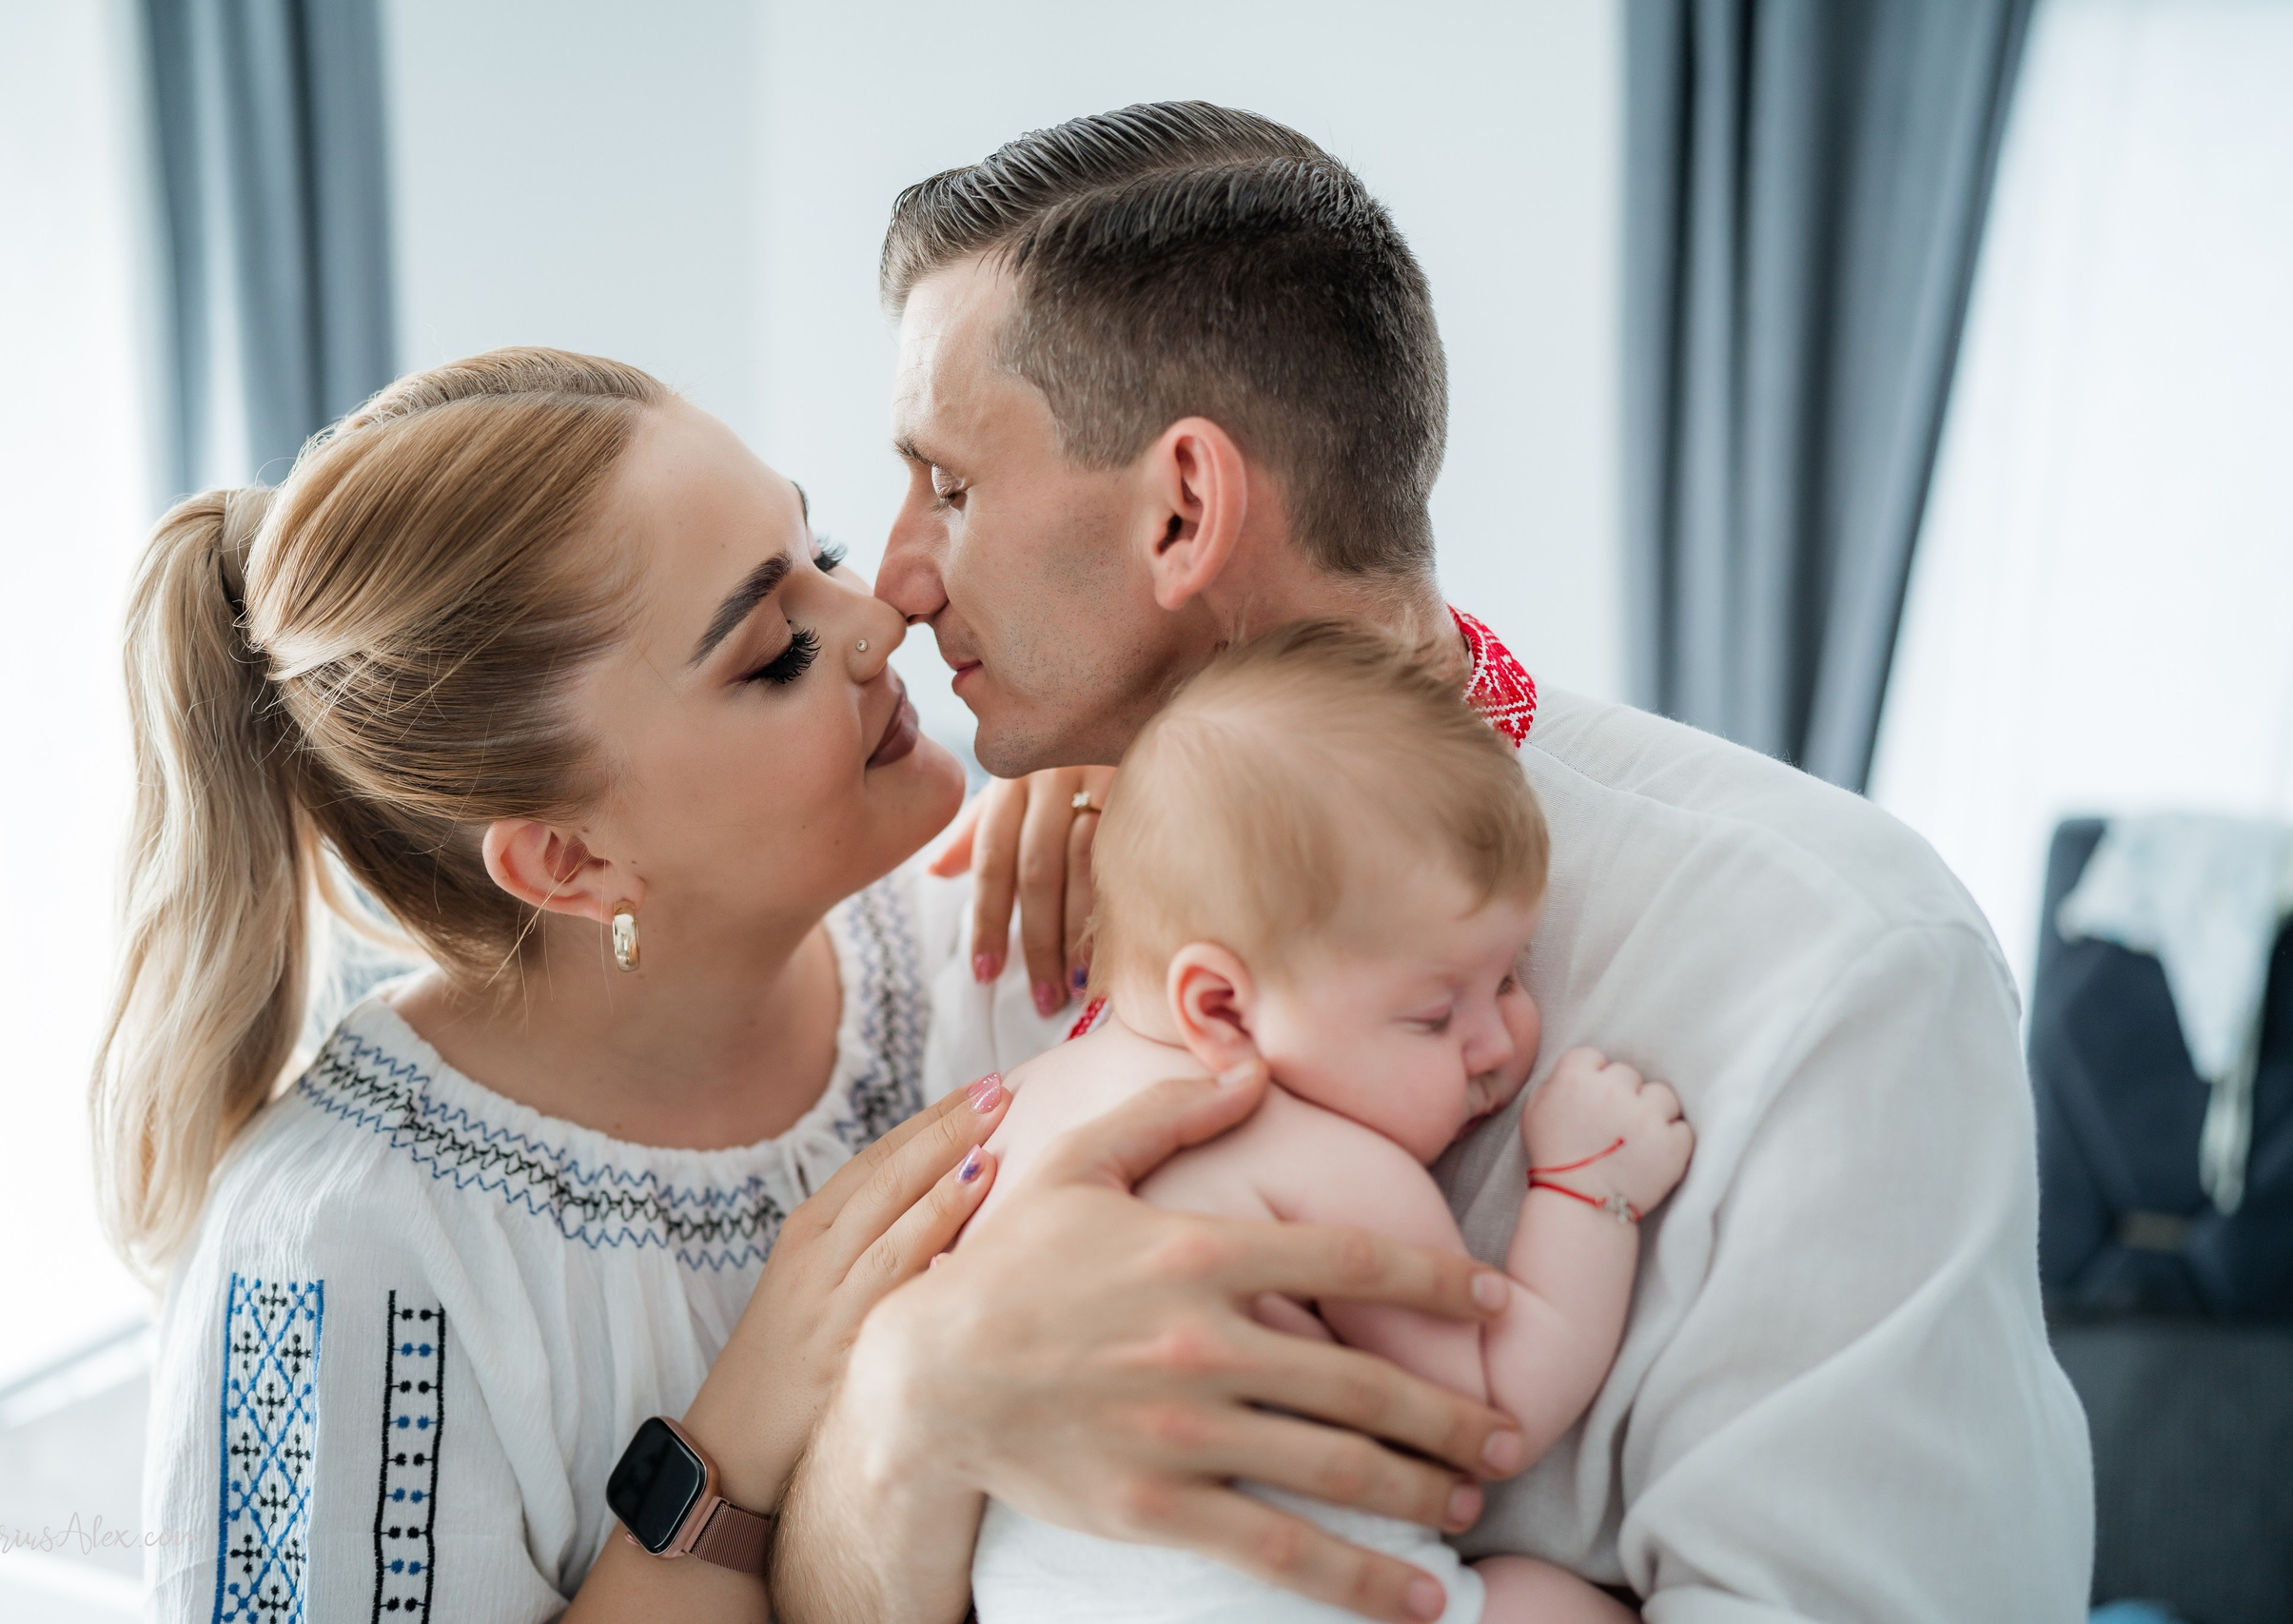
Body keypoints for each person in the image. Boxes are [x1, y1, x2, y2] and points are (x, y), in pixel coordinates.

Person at [772, 103, 2095, 1623]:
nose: (896, 577)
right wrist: (912, 1409)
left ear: (1184, 508)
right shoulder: (991, 931)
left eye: (948, 486)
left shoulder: (1826, 964)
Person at [100, 350, 1483, 1623]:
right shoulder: (336, 1252)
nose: (881, 617)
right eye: (773, 649)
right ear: (571, 859)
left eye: (816, 550)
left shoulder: (1003, 940)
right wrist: (733, 1437)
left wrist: (1170, 774)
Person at [965, 621, 1694, 1624]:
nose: (1500, 1039)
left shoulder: (1017, 1110)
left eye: (1510, 976)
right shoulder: (1319, 1161)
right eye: (1434, 1014)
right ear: (1220, 1008)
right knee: (1543, 1601)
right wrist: (1589, 1187)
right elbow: (1491, 1416)